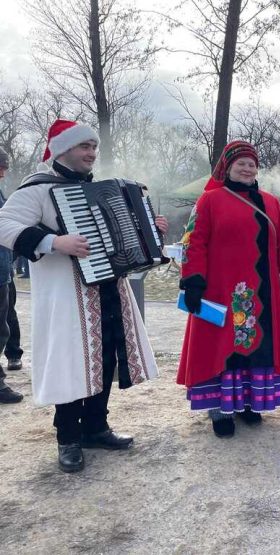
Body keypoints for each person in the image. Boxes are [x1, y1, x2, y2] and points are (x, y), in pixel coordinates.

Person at [0, 119, 167, 472]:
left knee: (104, 358)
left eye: (93, 147)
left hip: (108, 287)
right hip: (67, 296)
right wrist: (53, 242)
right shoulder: (37, 189)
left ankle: (96, 426)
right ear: (63, 150)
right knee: (70, 362)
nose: (91, 153)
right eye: (84, 146)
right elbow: (4, 225)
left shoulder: (104, 189)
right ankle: (68, 438)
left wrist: (149, 227)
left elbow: (123, 234)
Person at [177, 141, 280, 438]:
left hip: (263, 291)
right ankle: (219, 410)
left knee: (256, 348)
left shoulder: (271, 203)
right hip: (220, 290)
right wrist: (192, 278)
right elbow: (193, 242)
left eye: (251, 164)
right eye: (240, 163)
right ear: (227, 167)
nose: (247, 169)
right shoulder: (209, 200)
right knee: (221, 348)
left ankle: (250, 403)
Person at [0, 147, 23, 403]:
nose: (4, 173)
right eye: (1, 167)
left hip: (3, 267)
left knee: (6, 320)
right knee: (1, 327)